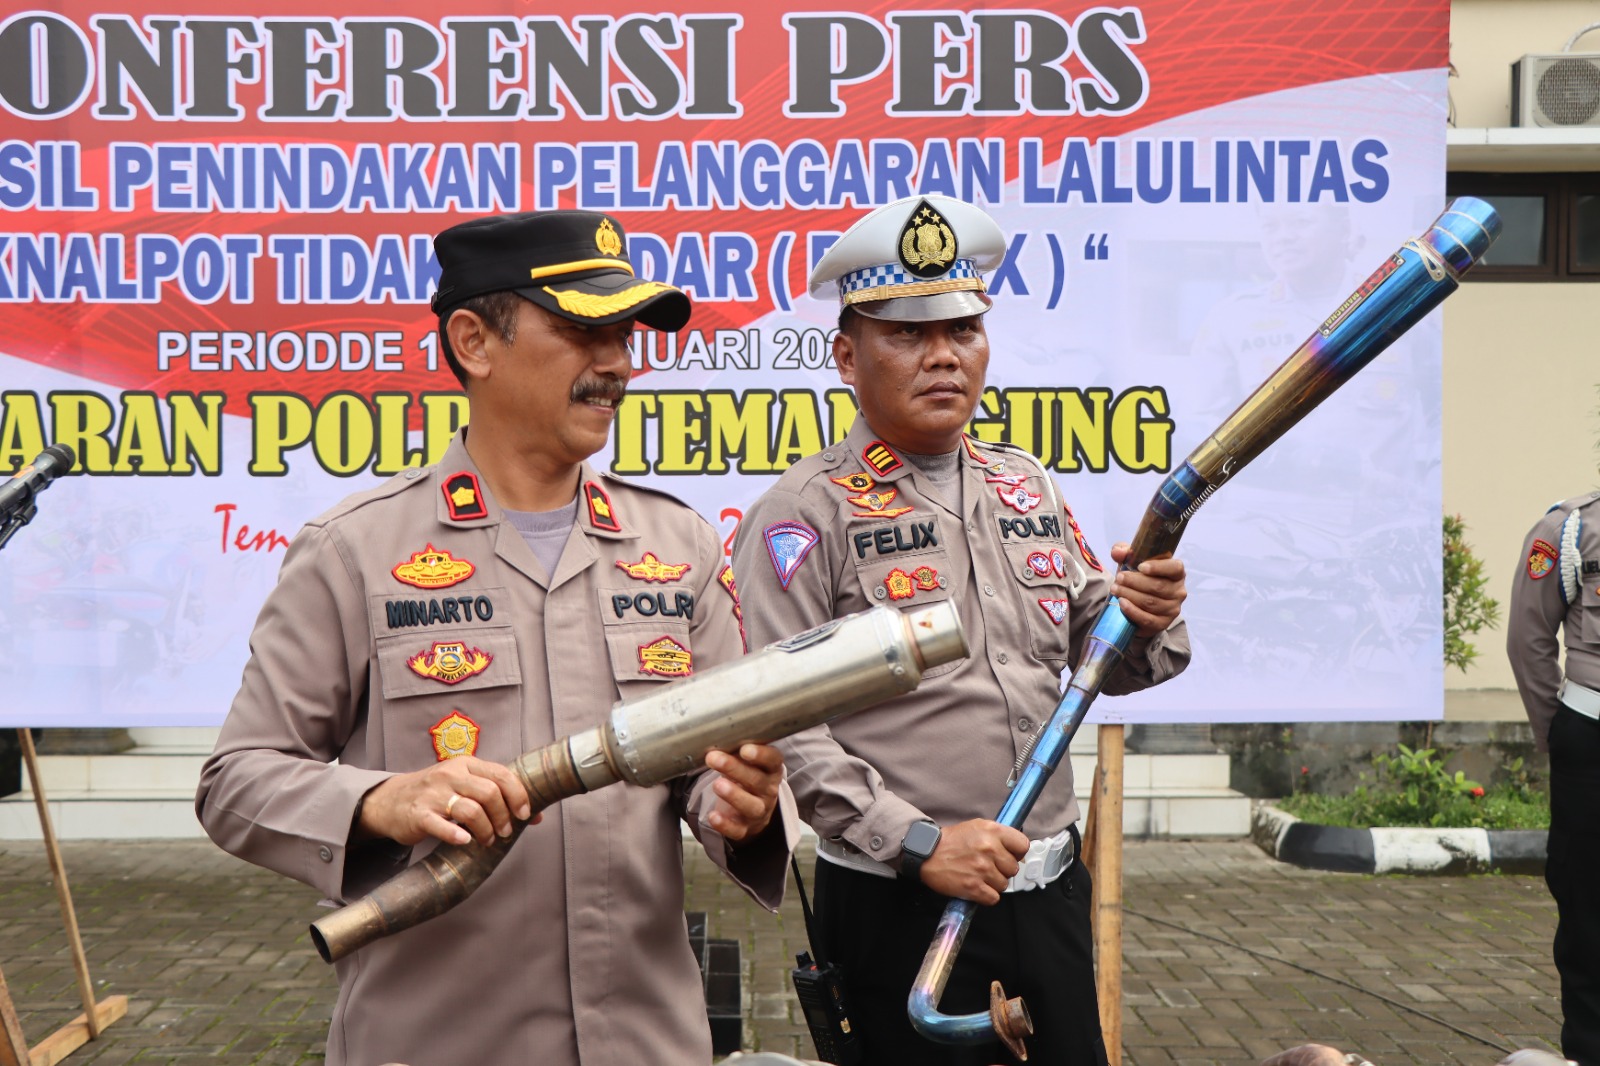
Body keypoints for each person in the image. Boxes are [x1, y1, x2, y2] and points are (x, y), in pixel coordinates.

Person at [196, 209, 798, 1066]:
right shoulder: (358, 551)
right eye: (584, 329)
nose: (617, 362)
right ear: (474, 341)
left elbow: (715, 771)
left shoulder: (678, 546)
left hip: (646, 1041)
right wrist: (378, 802)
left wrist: (739, 804)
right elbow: (236, 780)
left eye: (626, 333)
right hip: (435, 1040)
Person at [731, 194, 1192, 1065]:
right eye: (907, 333)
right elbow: (781, 720)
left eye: (963, 329)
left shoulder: (1027, 485)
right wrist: (921, 843)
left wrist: (1146, 608)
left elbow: (1101, 649)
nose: (944, 354)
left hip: (1048, 894)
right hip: (901, 905)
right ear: (845, 354)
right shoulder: (802, 515)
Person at [1508, 491, 1600, 1066]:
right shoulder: (1569, 528)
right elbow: (1529, 639)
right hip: (1592, 738)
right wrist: (1560, 736)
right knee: (1588, 909)